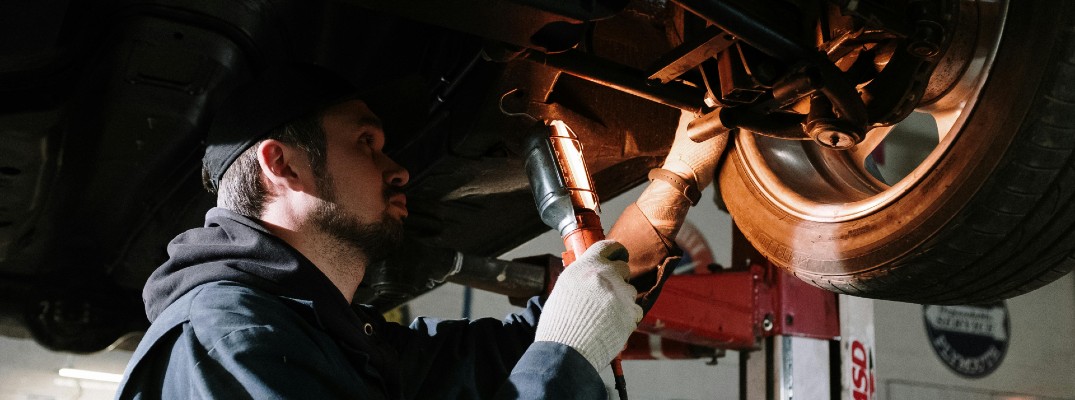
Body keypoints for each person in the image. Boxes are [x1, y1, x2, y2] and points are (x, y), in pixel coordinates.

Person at [115, 63, 726, 399]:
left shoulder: (330, 339)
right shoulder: (224, 340)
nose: (398, 166)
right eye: (365, 143)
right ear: (283, 164)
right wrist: (566, 357)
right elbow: (556, 347)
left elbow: (526, 343)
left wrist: (676, 181)